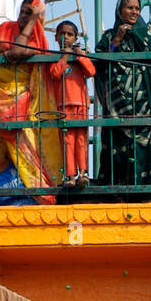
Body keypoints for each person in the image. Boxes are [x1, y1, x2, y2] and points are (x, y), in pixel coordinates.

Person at [0, 0, 62, 205]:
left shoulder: (39, 39)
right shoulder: (5, 28)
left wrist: (31, 24)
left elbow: (16, 51)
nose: (24, 16)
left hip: (23, 104)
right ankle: (7, 198)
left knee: (26, 150)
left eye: (30, 13)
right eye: (23, 12)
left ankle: (38, 197)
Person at [93, 0, 151, 198]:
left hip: (144, 105)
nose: (134, 12)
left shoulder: (146, 38)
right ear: (120, 11)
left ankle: (148, 193)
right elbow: (102, 63)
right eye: (129, 8)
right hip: (117, 105)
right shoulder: (109, 37)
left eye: (137, 8)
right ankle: (118, 194)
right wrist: (118, 38)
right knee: (118, 148)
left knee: (146, 149)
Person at [48, 20, 95, 187]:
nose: (65, 37)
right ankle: (70, 175)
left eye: (69, 34)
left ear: (75, 38)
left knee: (81, 139)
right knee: (67, 140)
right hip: (63, 105)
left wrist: (79, 54)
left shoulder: (79, 55)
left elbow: (91, 71)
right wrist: (66, 56)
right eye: (62, 34)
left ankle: (83, 173)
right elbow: (54, 73)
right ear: (56, 37)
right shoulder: (54, 58)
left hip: (81, 104)